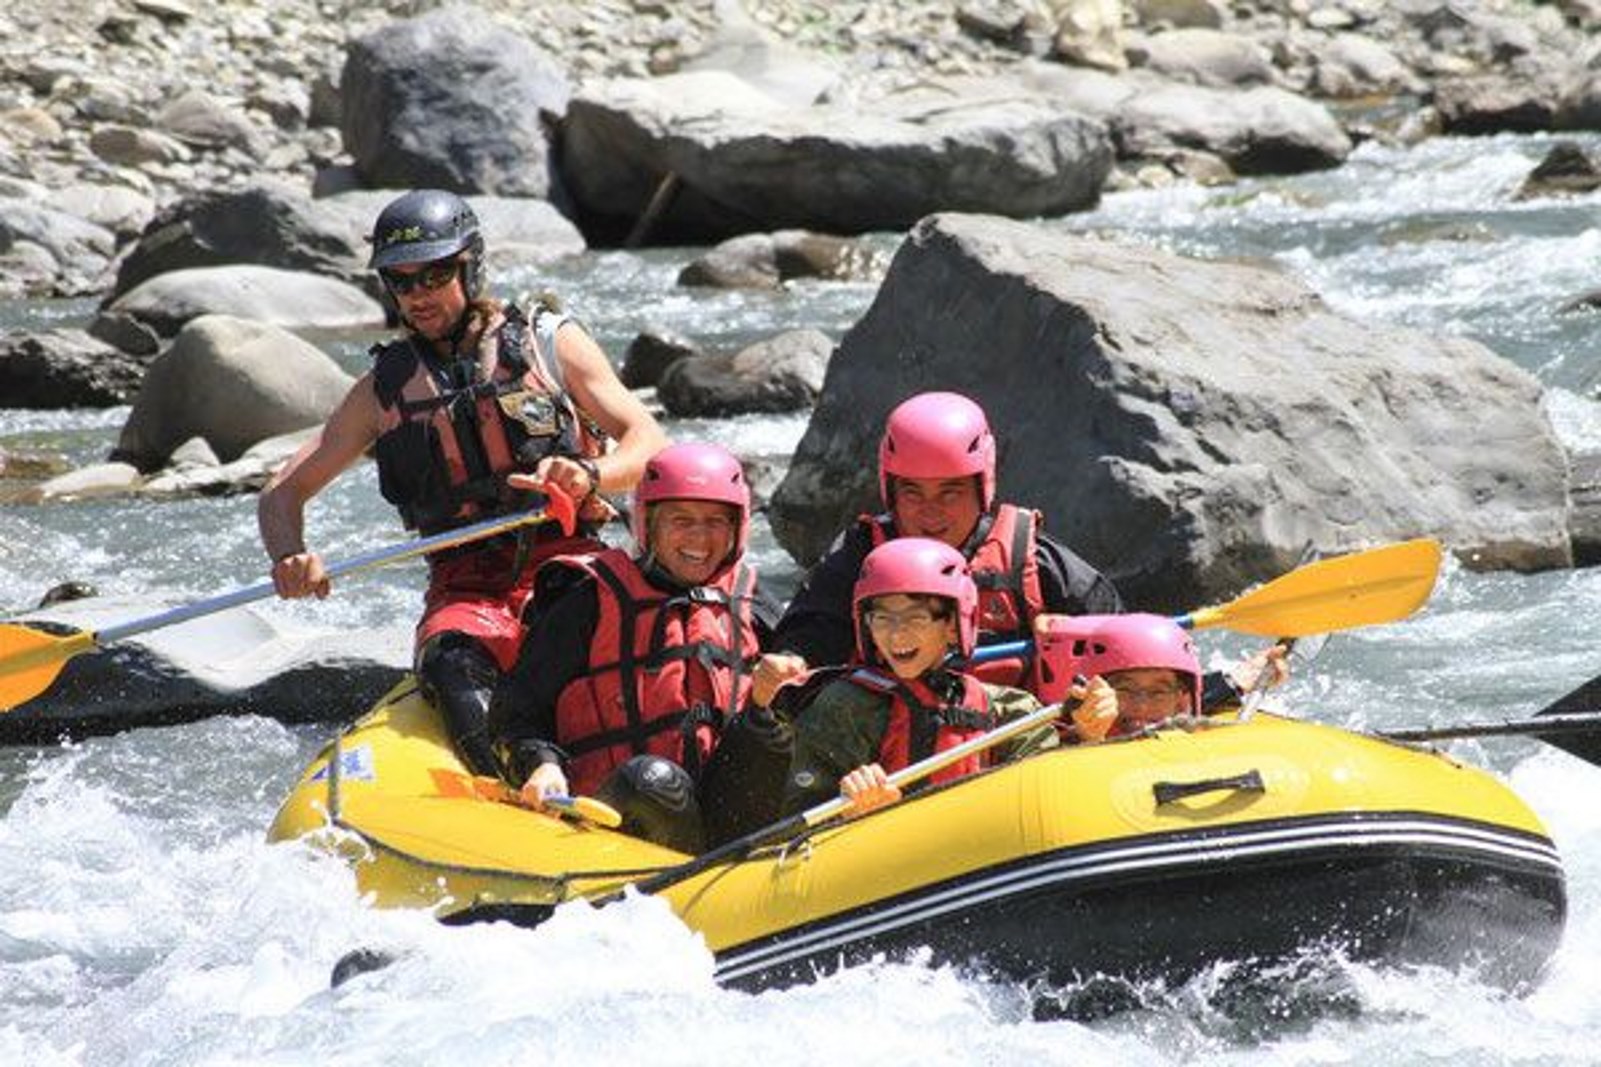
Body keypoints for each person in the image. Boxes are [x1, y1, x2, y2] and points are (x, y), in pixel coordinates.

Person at [258, 189, 666, 776]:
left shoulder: (547, 343)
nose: (418, 295)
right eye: (401, 281)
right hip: (467, 589)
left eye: (434, 275)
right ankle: (517, 784)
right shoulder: (383, 390)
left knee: (579, 636)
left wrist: (589, 474)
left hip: (569, 564)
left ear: (470, 267)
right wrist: (289, 555)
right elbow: (283, 492)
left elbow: (648, 440)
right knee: (451, 662)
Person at [488, 442, 781, 853]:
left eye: (716, 521)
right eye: (681, 519)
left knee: (773, 736)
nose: (700, 536)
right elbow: (516, 711)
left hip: (726, 811)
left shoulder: (751, 601)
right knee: (651, 781)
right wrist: (542, 764)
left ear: (738, 529)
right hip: (621, 815)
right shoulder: (588, 601)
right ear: (648, 525)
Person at [753, 391, 1121, 704]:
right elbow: (810, 636)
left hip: (1017, 750)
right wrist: (790, 661)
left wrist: (1076, 641)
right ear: (890, 491)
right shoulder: (857, 557)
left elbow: (1122, 639)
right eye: (913, 492)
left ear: (982, 488)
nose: (931, 512)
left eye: (950, 492)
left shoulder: (1033, 560)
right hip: (890, 760)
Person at [780, 537, 1119, 818]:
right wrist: (849, 812)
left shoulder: (1009, 709)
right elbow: (797, 822)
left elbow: (1052, 795)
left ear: (954, 626)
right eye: (882, 619)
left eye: (915, 619)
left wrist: (1088, 737)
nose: (896, 635)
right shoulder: (844, 707)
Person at [1034, 613, 1287, 738]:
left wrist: (1239, 680)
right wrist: (1089, 737)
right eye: (1124, 689)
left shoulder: (1184, 715)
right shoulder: (1056, 741)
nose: (1142, 706)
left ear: (1181, 700)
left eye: (1158, 692)